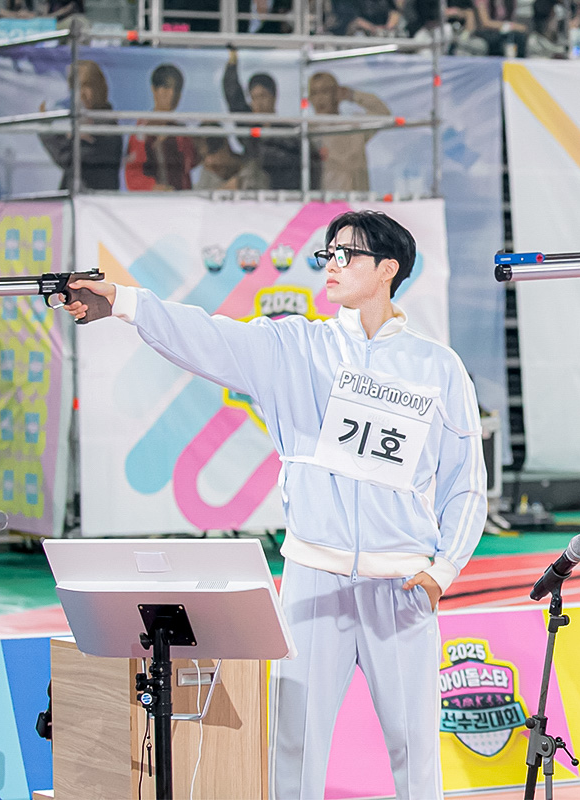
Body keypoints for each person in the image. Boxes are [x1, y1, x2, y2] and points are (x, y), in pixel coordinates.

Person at [62, 210, 487, 800]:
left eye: (347, 254)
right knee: (294, 745)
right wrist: (125, 302)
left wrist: (443, 570)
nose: (331, 264)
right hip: (312, 580)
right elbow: (207, 335)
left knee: (416, 753)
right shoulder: (293, 346)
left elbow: (466, 481)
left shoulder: (438, 367)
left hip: (402, 587)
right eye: (328, 253)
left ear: (388, 268)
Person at [222, 47, 304, 191]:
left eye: (263, 96)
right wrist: (232, 63)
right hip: (253, 192)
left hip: (283, 193)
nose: (258, 103)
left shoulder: (288, 132)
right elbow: (234, 96)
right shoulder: (249, 129)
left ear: (274, 97)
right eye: (254, 98)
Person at [38, 60, 123, 192]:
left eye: (87, 85)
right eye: (76, 88)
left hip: (94, 200)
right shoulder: (84, 122)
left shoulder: (107, 126)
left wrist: (46, 131)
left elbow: (67, 158)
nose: (82, 93)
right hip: (79, 197)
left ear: (99, 87)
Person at [307, 72, 390, 193]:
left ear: (336, 93)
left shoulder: (353, 126)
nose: (319, 98)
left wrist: (352, 95)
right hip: (321, 200)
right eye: (314, 93)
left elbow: (383, 113)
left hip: (355, 198)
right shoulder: (306, 131)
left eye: (325, 91)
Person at [124, 64, 198, 192]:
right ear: (154, 90)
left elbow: (191, 163)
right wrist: (154, 188)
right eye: (166, 88)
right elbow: (133, 174)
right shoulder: (142, 131)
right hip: (154, 201)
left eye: (177, 89)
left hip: (182, 199)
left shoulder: (181, 132)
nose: (172, 94)